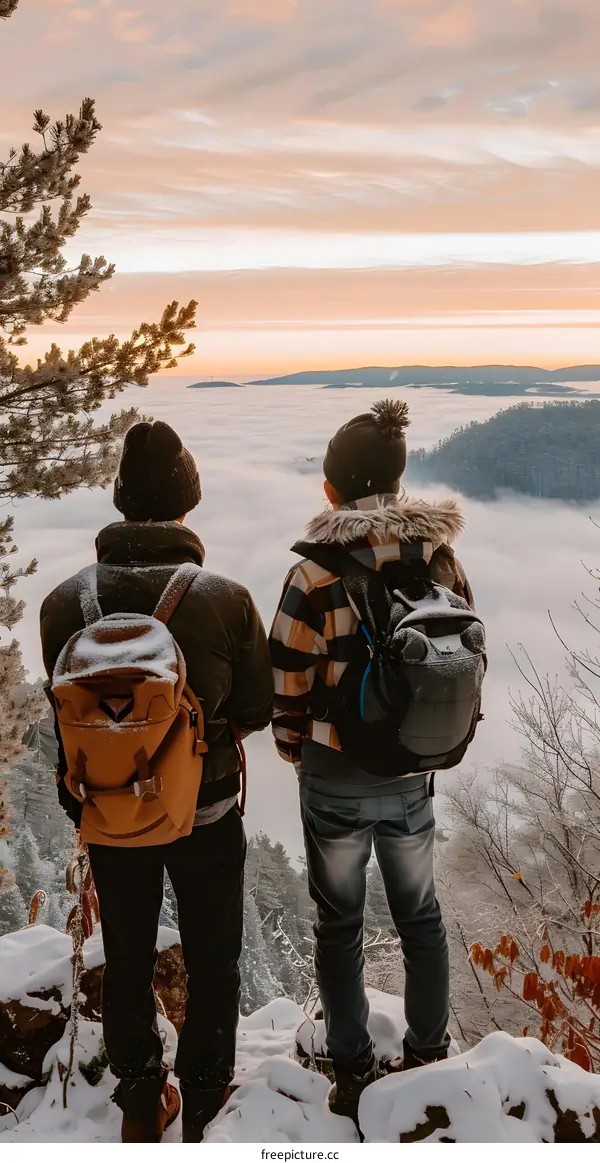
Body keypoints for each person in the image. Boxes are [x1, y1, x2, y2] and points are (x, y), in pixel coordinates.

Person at [40, 420, 273, 1143]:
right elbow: (257, 709)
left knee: (131, 950)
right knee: (213, 956)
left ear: (119, 501)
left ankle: (142, 1098)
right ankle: (206, 1097)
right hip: (203, 804)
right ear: (187, 502)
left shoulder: (62, 603)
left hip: (108, 808)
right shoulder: (225, 598)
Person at [270, 399, 476, 1123]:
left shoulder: (314, 576)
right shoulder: (440, 558)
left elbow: (287, 679)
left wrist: (296, 748)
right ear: (397, 479)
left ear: (331, 489)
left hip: (334, 773)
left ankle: (353, 1068)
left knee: (340, 924)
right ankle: (428, 1056)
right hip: (415, 771)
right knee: (420, 916)